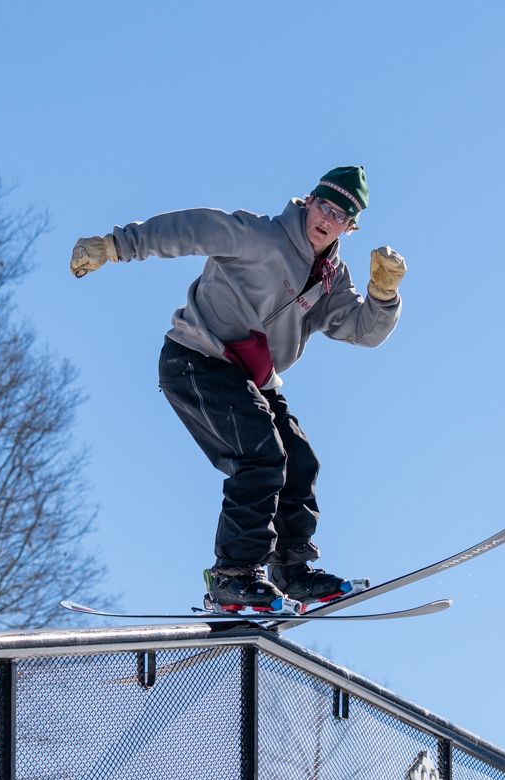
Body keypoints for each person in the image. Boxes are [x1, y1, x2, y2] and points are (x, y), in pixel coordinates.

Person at [70, 166, 408, 615]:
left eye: (342, 216)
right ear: (309, 202)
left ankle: (293, 570)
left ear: (351, 226)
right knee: (261, 457)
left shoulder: (331, 279)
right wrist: (115, 246)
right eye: (324, 206)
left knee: (300, 460)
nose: (328, 220)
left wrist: (384, 295)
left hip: (251, 376)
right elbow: (189, 229)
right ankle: (233, 577)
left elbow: (363, 331)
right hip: (196, 358)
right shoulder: (258, 235)